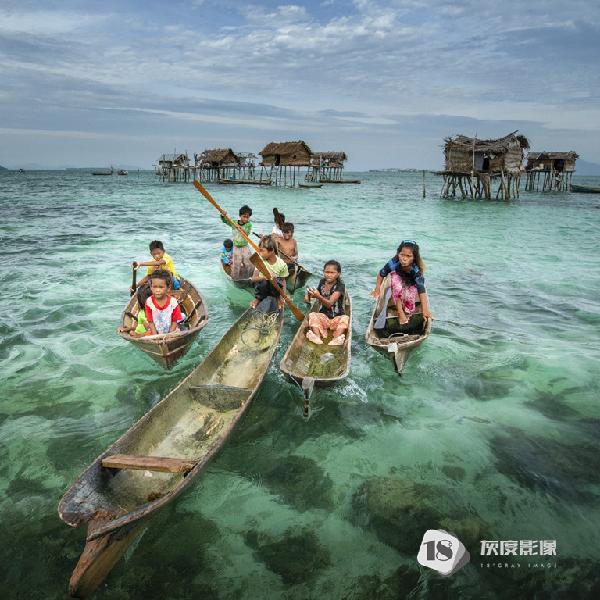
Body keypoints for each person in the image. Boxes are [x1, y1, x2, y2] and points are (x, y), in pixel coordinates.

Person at [370, 240, 432, 325]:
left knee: (409, 297)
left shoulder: (415, 270)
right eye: (402, 255)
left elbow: (421, 288)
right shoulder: (394, 262)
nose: (404, 258)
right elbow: (381, 274)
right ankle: (400, 312)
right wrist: (377, 289)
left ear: (414, 257)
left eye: (408, 256)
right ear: (398, 254)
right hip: (397, 276)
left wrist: (425, 309)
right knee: (397, 286)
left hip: (410, 281)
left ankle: (405, 309)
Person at [304, 260, 349, 346]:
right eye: (327, 272)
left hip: (337, 318)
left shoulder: (340, 285)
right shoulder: (322, 282)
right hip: (324, 318)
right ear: (323, 272)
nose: (329, 275)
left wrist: (318, 296)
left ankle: (336, 339)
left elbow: (330, 303)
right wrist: (309, 294)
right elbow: (316, 294)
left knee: (345, 318)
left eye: (332, 272)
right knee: (312, 315)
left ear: (338, 274)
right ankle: (317, 337)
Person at [250, 235, 288, 310]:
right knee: (264, 281)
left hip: (274, 288)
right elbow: (253, 279)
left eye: (262, 251)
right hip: (262, 288)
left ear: (271, 251)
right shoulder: (259, 261)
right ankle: (258, 299)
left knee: (276, 279)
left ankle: (278, 298)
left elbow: (283, 281)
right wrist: (265, 277)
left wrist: (283, 295)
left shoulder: (282, 265)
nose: (259, 253)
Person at [144, 269, 183, 335]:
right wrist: (155, 335)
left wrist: (169, 335)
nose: (157, 290)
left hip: (171, 331)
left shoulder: (173, 302)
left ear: (168, 288)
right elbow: (150, 321)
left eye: (161, 287)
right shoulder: (149, 302)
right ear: (151, 287)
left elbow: (174, 322)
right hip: (155, 332)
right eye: (154, 287)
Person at [222, 205, 253, 279]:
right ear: (240, 215)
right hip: (236, 247)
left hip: (245, 247)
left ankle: (251, 277)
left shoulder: (249, 224)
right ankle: (235, 278)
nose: (246, 219)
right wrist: (223, 215)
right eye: (244, 216)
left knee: (249, 263)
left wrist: (240, 228)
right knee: (236, 264)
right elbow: (226, 221)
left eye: (247, 217)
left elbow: (246, 234)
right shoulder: (234, 223)